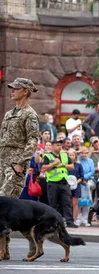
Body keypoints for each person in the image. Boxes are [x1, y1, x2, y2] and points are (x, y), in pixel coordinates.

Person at [0, 77, 40, 259]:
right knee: (4, 211)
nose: (12, 91)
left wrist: (21, 163)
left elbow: (32, 140)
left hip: (15, 166)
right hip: (2, 162)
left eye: (16, 88)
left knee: (5, 207)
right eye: (12, 88)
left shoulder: (29, 114)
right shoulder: (9, 113)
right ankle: (4, 250)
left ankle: (33, 244)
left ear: (25, 91)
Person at [41, 140, 76, 227]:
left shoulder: (64, 155)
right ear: (52, 146)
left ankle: (69, 222)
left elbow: (72, 167)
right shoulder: (47, 156)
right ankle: (54, 222)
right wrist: (54, 163)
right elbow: (44, 168)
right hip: (53, 183)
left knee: (67, 203)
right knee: (53, 203)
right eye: (57, 145)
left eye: (60, 145)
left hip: (64, 183)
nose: (59, 147)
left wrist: (64, 165)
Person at [78, 147, 95, 226]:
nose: (83, 155)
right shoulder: (77, 160)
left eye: (85, 153)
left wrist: (85, 178)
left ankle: (85, 219)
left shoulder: (90, 161)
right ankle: (78, 218)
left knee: (87, 202)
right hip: (79, 181)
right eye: (81, 153)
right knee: (78, 201)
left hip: (88, 181)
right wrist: (81, 178)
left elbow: (92, 171)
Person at [67, 149, 84, 226]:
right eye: (69, 155)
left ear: (75, 156)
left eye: (72, 155)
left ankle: (74, 219)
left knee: (75, 203)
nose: (71, 156)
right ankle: (68, 219)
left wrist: (75, 182)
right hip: (67, 185)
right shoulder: (66, 165)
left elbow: (82, 176)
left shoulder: (79, 165)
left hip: (76, 186)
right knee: (68, 203)